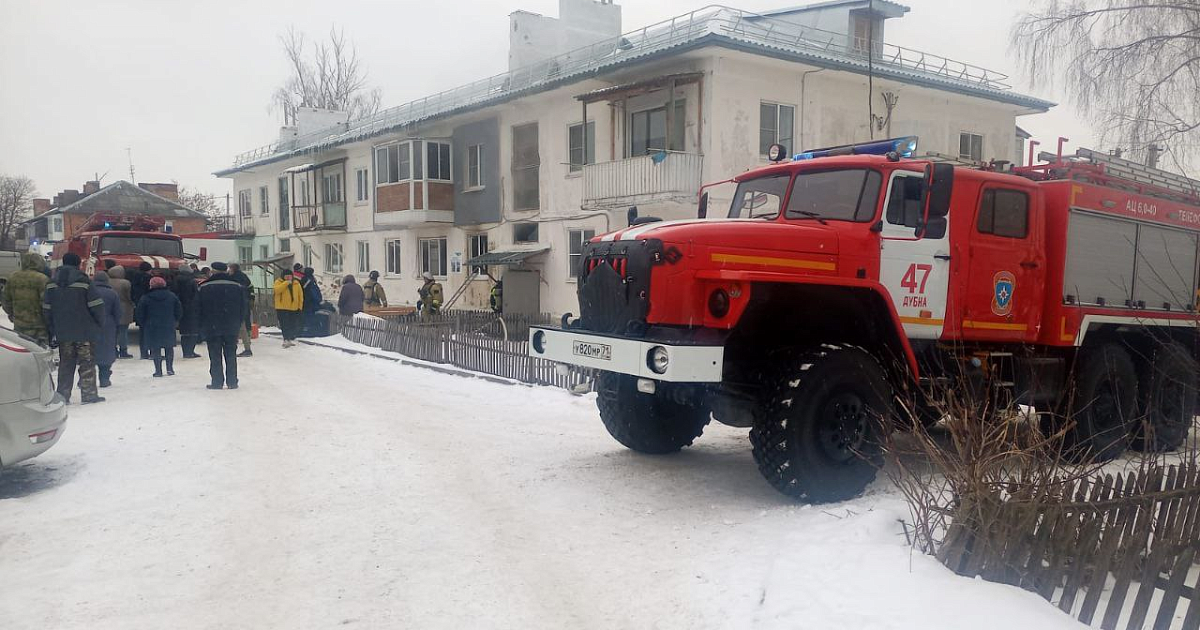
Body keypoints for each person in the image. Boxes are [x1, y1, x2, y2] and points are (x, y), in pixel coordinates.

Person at [42, 252, 105, 404]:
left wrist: (52, 327)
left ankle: (63, 395)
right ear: (78, 264)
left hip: (63, 331)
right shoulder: (84, 282)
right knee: (87, 363)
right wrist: (98, 323)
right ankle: (89, 394)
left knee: (66, 364)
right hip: (85, 330)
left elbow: (47, 309)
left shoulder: (51, 283)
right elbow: (96, 306)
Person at [198, 262, 246, 390]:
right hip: (231, 326)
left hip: (211, 326)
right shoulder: (237, 286)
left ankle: (217, 381)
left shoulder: (204, 286)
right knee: (231, 354)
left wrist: (201, 325)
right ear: (226, 271)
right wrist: (238, 321)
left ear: (213, 271)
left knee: (215, 354)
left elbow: (198, 308)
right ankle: (232, 381)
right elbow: (243, 307)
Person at [135, 276, 181, 377]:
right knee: (169, 347)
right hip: (168, 324)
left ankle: (158, 370)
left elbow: (140, 313)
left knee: (155, 348)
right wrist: (176, 320)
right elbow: (178, 310)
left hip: (152, 326)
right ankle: (170, 369)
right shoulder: (172, 296)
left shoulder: (146, 297)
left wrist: (144, 323)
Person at [2, 252, 50, 344]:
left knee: (22, 348)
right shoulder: (42, 279)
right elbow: (45, 303)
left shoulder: (13, 277)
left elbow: (5, 300)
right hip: (39, 326)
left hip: (19, 324)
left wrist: (12, 314)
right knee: (39, 352)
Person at [91, 270, 122, 388]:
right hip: (108, 325)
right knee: (106, 351)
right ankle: (104, 378)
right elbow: (118, 312)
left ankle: (86, 379)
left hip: (91, 324)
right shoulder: (112, 293)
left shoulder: (89, 292)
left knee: (90, 352)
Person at [173, 265, 202, 358]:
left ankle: (185, 351)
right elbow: (195, 295)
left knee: (184, 332)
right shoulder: (191, 281)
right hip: (191, 308)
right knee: (193, 331)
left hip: (181, 307)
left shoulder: (176, 280)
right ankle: (190, 351)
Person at [106, 265, 135, 358]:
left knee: (112, 332)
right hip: (124, 309)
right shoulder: (125, 283)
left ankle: (113, 350)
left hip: (110, 309)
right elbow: (129, 297)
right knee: (123, 331)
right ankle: (123, 350)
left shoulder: (107, 282)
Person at [273, 269, 304, 347]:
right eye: (286, 276)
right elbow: (277, 291)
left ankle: (289, 339)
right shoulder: (278, 282)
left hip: (293, 308)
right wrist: (286, 283)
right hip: (282, 308)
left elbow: (300, 295)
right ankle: (286, 339)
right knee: (284, 324)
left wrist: (300, 306)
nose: (288, 277)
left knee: (292, 324)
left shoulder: (296, 283)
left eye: (290, 276)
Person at [228, 263, 254, 357]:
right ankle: (247, 344)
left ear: (233, 269)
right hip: (244, 302)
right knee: (244, 323)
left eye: (230, 268)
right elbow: (250, 287)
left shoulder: (232, 278)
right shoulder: (244, 276)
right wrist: (251, 299)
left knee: (238, 325)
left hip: (235, 304)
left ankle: (236, 344)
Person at [130, 261, 154, 359]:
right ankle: (153, 351)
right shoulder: (149, 279)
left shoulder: (134, 279)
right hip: (149, 306)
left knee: (142, 330)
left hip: (139, 304)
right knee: (152, 330)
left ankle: (143, 353)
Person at [300, 267, 322, 335]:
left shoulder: (305, 278)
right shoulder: (309, 279)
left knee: (308, 315)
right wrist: (318, 299)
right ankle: (310, 329)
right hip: (310, 301)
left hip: (308, 301)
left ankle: (309, 328)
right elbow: (313, 291)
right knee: (309, 315)